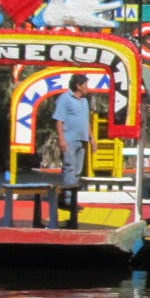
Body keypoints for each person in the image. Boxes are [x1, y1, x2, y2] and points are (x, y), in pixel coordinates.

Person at [54, 73, 95, 225]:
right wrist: (62, 140)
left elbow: (86, 121)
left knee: (77, 171)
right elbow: (59, 120)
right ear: (78, 86)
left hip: (82, 139)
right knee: (69, 168)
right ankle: (68, 201)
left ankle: (65, 197)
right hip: (69, 139)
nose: (87, 88)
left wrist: (92, 138)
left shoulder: (84, 101)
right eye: (86, 85)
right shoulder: (65, 98)